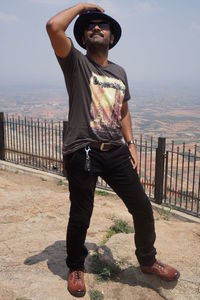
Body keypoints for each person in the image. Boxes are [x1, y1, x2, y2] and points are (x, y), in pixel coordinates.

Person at [46, 3, 180, 297]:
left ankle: (147, 260)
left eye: (102, 25)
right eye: (90, 25)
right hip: (83, 150)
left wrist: (131, 143)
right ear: (82, 38)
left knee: (142, 208)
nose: (96, 27)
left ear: (111, 38)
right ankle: (76, 266)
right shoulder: (76, 63)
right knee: (81, 214)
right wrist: (82, 5)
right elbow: (54, 27)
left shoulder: (119, 72)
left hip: (115, 150)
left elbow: (124, 111)